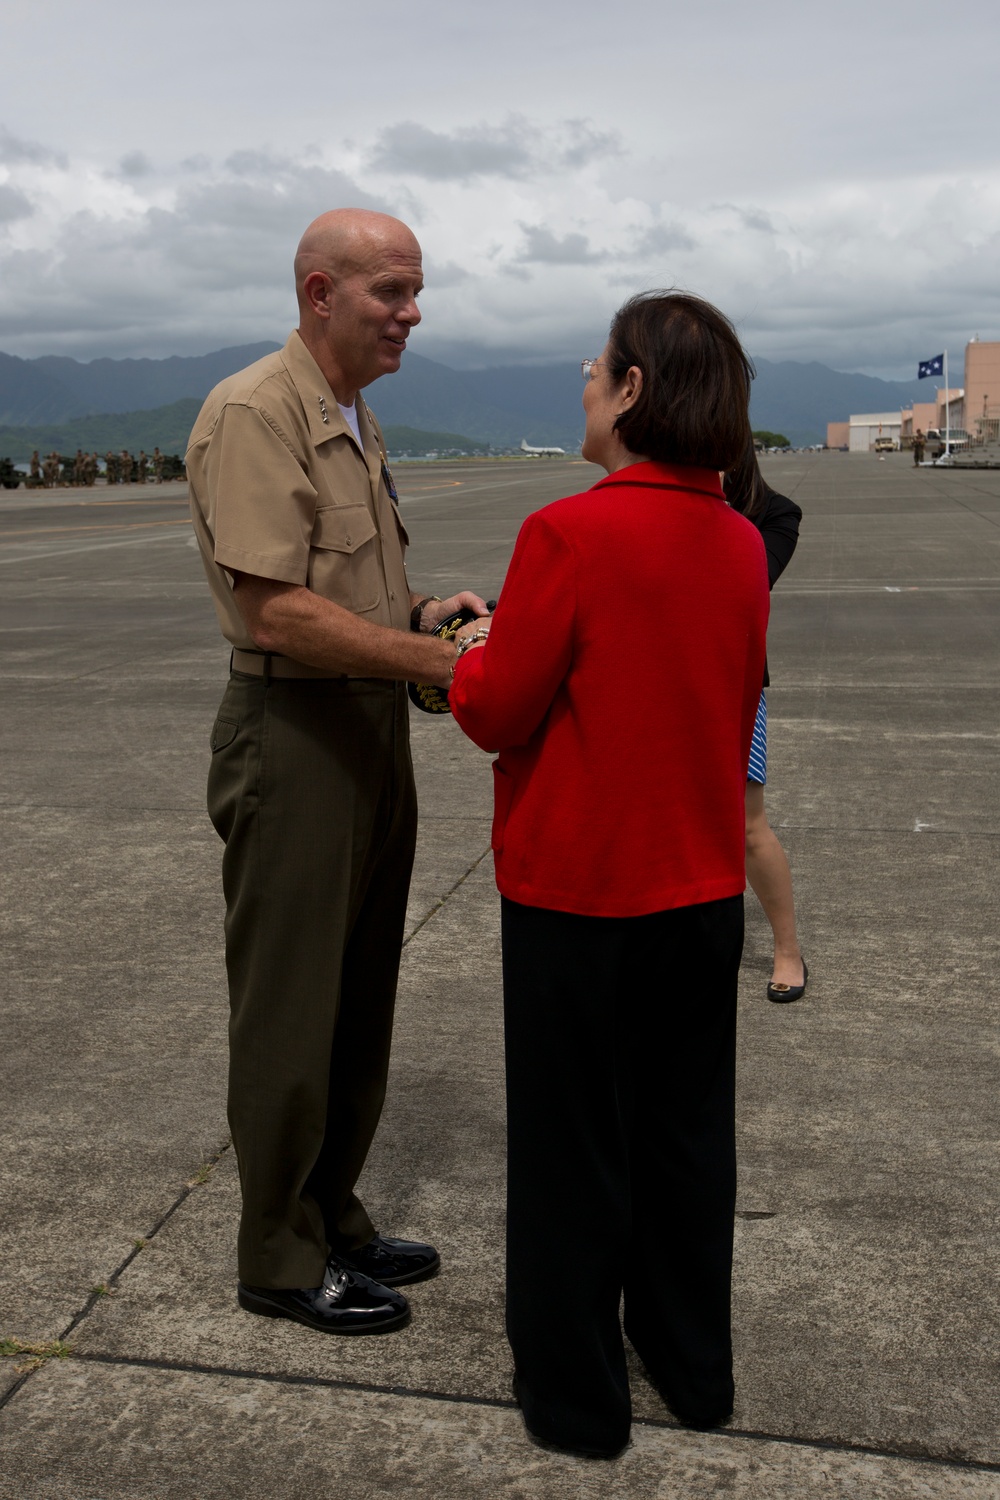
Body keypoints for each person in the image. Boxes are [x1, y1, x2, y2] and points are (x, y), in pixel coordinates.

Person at [449, 292, 770, 1458]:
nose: (581, 387)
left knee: (570, 1151)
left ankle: (579, 1403)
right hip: (699, 886)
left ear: (633, 390)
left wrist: (474, 648)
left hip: (578, 892)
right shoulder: (738, 538)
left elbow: (498, 713)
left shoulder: (565, 534)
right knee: (685, 1142)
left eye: (595, 370)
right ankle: (694, 1370)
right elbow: (732, 703)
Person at [186, 208, 489, 1338]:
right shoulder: (256, 412)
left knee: (361, 995)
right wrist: (444, 663)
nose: (412, 313)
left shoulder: (350, 417)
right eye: (391, 293)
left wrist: (424, 613)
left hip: (367, 729)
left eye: (415, 293)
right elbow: (276, 611)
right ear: (321, 292)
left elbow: (347, 590)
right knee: (290, 1010)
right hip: (296, 737)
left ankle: (332, 1212)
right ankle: (276, 1254)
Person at [724, 439, 807, 1002]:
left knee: (748, 825)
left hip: (735, 684)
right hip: (657, 681)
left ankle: (787, 949)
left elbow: (748, 584)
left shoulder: (774, 515)